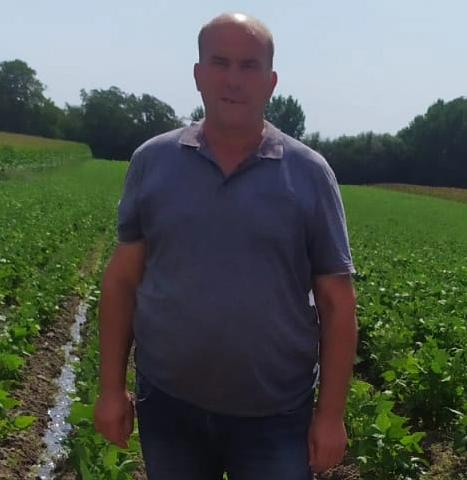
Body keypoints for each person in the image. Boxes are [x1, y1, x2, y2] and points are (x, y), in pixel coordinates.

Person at [93, 11, 358, 480]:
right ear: (198, 75)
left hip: (276, 415)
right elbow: (121, 281)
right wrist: (111, 389)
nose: (233, 79)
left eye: (249, 65)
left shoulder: (309, 174)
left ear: (270, 82)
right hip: (169, 405)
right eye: (219, 63)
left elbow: (338, 303)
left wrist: (331, 415)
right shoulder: (153, 161)